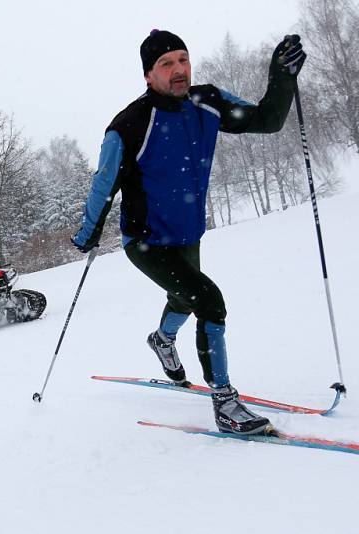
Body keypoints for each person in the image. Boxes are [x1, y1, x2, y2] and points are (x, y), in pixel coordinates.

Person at [72, 30, 306, 435]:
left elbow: (268, 120)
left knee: (183, 298)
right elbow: (103, 185)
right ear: (148, 75)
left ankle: (162, 341)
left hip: (188, 231)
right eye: (166, 63)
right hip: (146, 242)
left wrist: (282, 78)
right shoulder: (128, 126)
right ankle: (226, 402)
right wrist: (87, 233)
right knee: (209, 301)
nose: (179, 70)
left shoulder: (207, 102)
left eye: (183, 59)